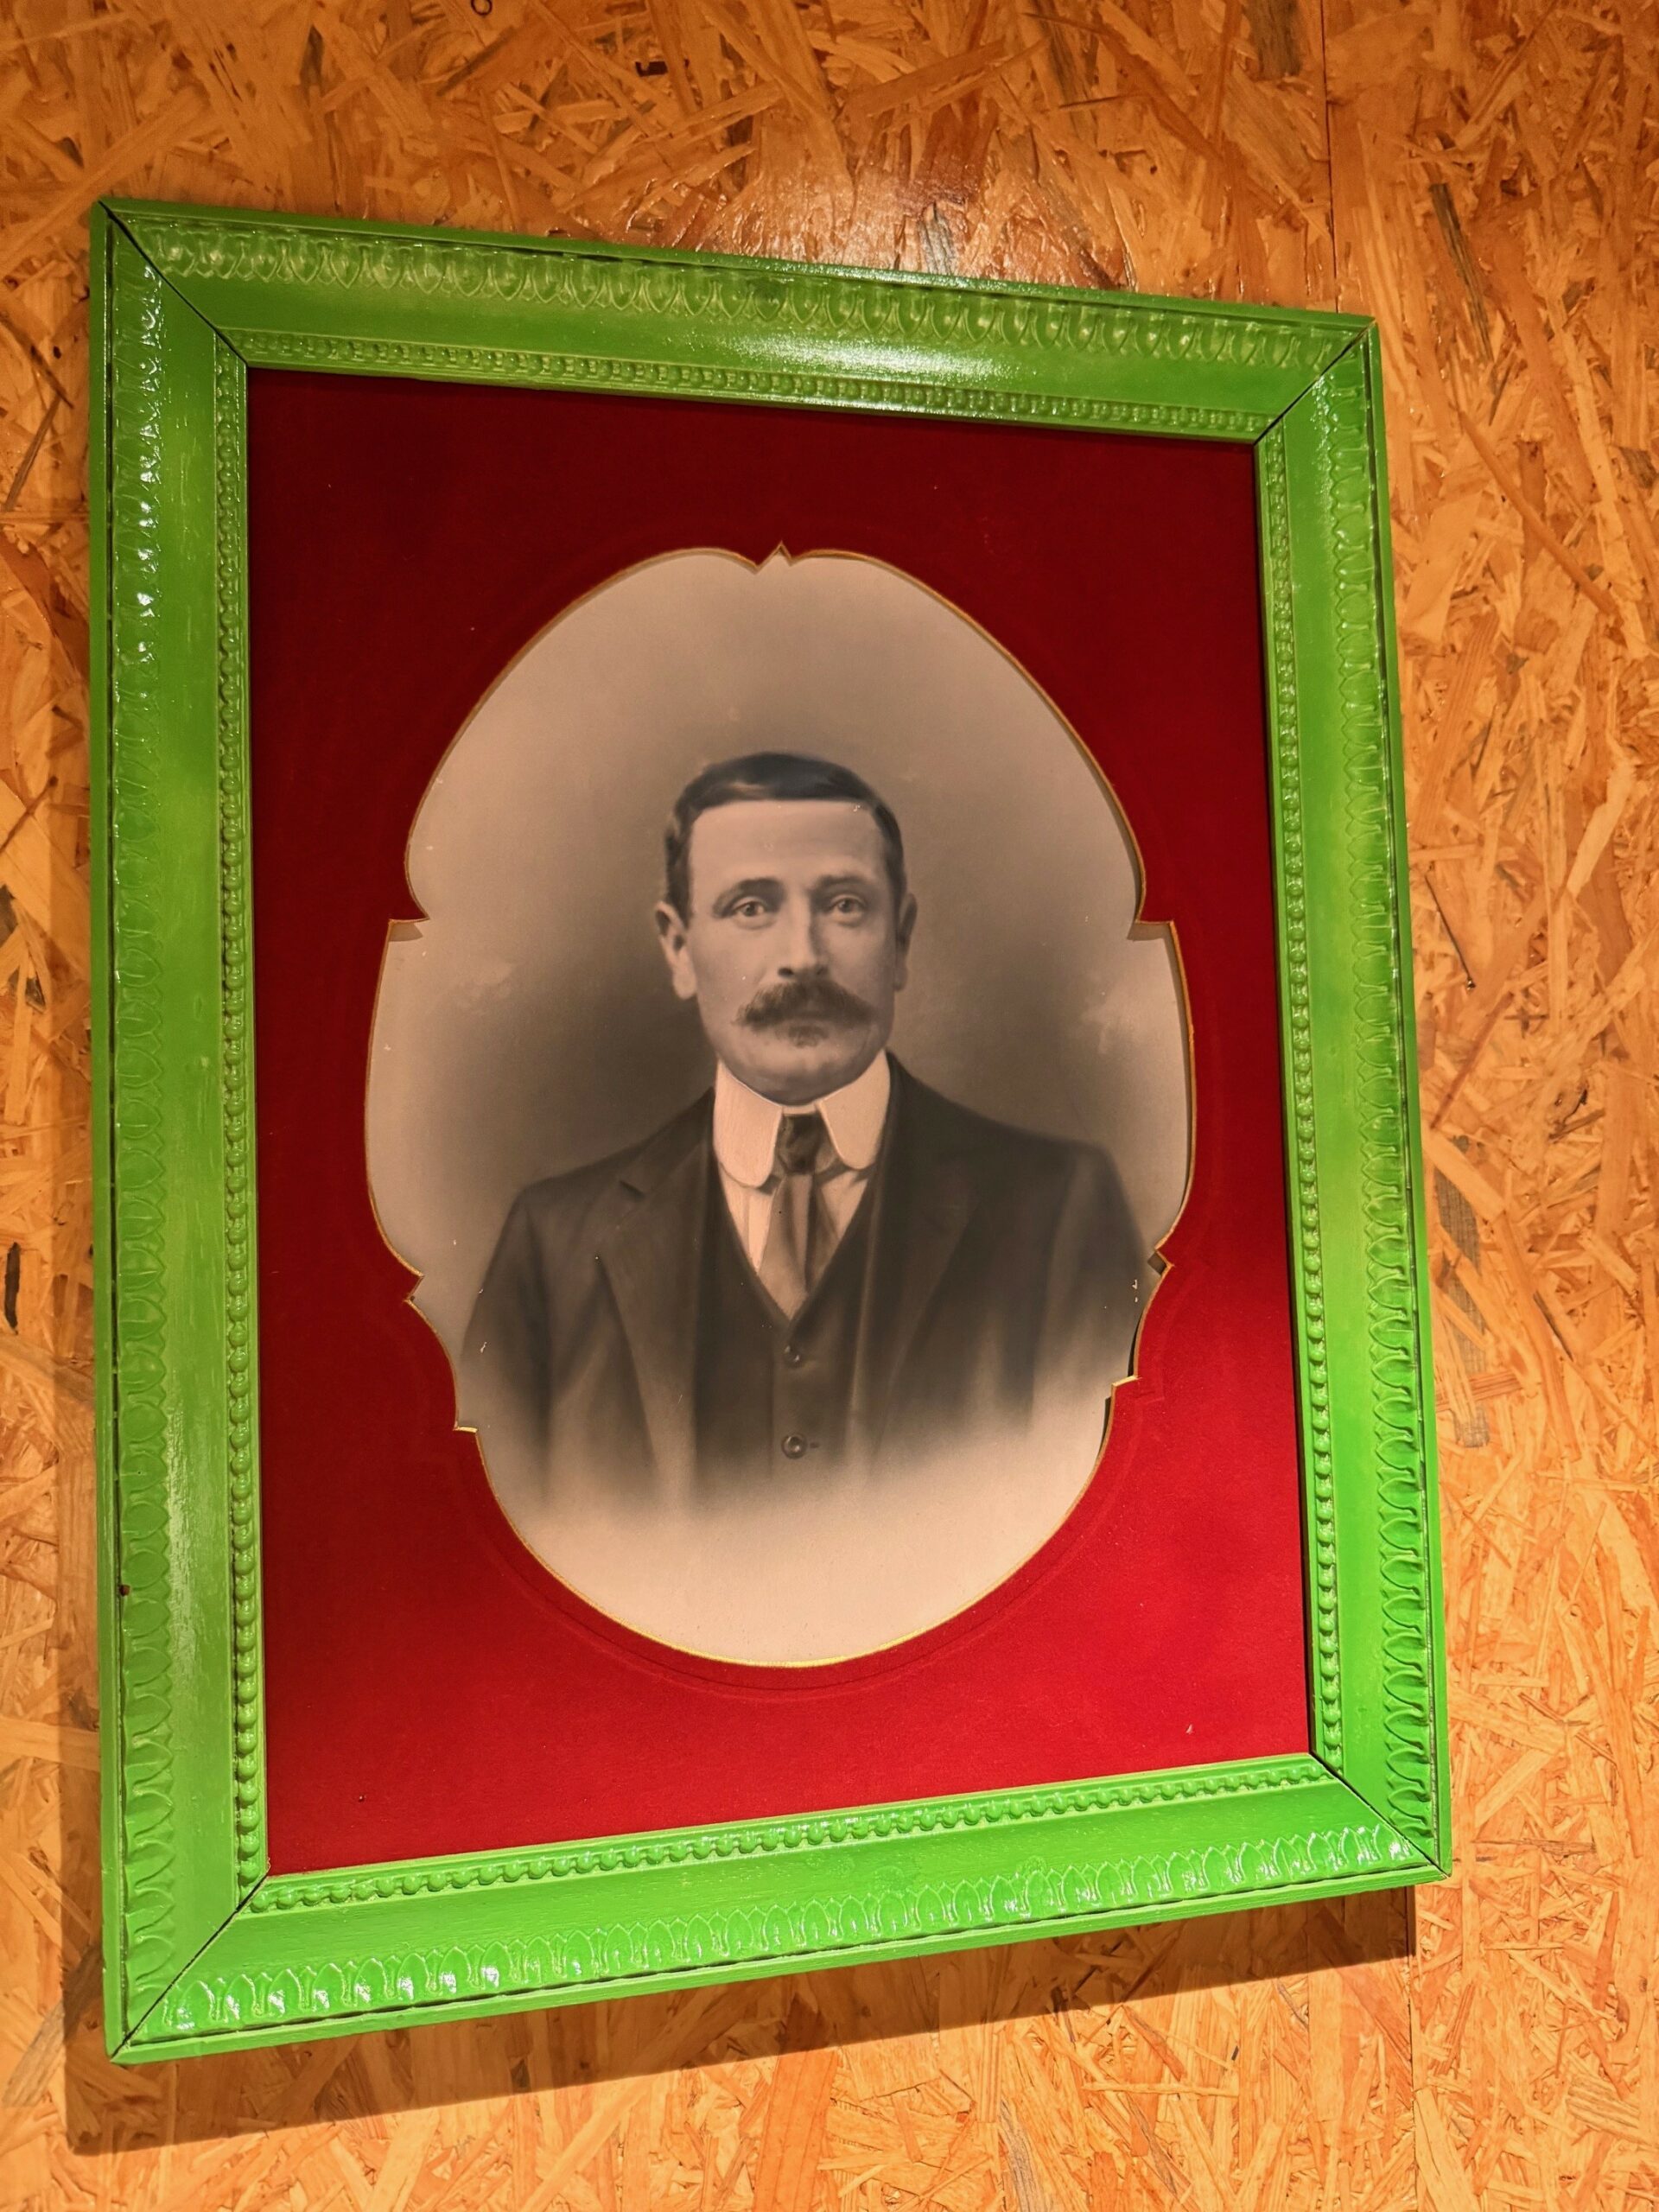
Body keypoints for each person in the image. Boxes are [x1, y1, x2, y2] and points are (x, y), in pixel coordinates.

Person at [461, 752, 1144, 1508]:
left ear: (901, 940)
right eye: (751, 908)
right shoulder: (551, 1248)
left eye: (845, 905)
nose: (803, 958)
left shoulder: (1059, 1215)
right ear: (679, 947)